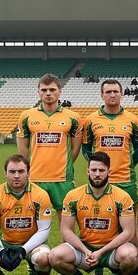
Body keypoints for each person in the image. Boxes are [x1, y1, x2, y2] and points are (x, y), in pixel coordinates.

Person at [47, 152, 138, 275]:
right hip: (86, 249)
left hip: (112, 250)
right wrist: (86, 251)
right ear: (88, 171)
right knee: (54, 256)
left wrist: (101, 252)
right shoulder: (73, 196)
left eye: (101, 170)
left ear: (109, 171)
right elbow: (66, 229)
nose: (97, 174)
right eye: (94, 170)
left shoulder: (122, 197)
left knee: (131, 256)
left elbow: (129, 232)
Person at [16, 73, 83, 212]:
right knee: (33, 219)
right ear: (38, 92)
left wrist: (65, 165)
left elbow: (76, 149)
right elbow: (23, 147)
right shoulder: (26, 116)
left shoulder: (73, 117)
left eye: (52, 90)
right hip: (35, 177)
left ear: (59, 91)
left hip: (63, 178)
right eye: (44, 90)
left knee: (65, 219)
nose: (48, 93)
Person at [82, 79, 138, 202]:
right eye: (108, 91)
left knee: (129, 217)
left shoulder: (133, 120)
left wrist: (129, 165)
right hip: (100, 179)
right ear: (102, 95)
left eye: (115, 91)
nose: (112, 94)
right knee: (101, 216)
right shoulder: (90, 120)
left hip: (126, 179)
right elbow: (85, 148)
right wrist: (97, 166)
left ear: (122, 94)